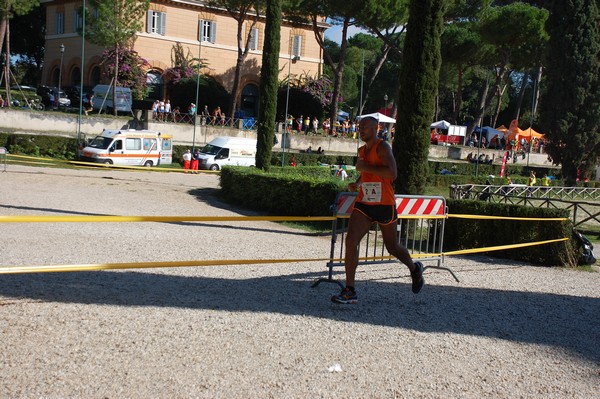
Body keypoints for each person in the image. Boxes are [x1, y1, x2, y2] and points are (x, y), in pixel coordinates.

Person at [331, 116, 424, 304]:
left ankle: (414, 269)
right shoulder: (361, 150)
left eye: (365, 126)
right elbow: (368, 172)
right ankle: (350, 289)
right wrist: (357, 183)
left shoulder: (383, 147)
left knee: (392, 247)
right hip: (364, 203)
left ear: (376, 128)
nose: (361, 129)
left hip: (384, 204)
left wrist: (366, 167)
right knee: (351, 240)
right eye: (360, 127)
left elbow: (392, 173)